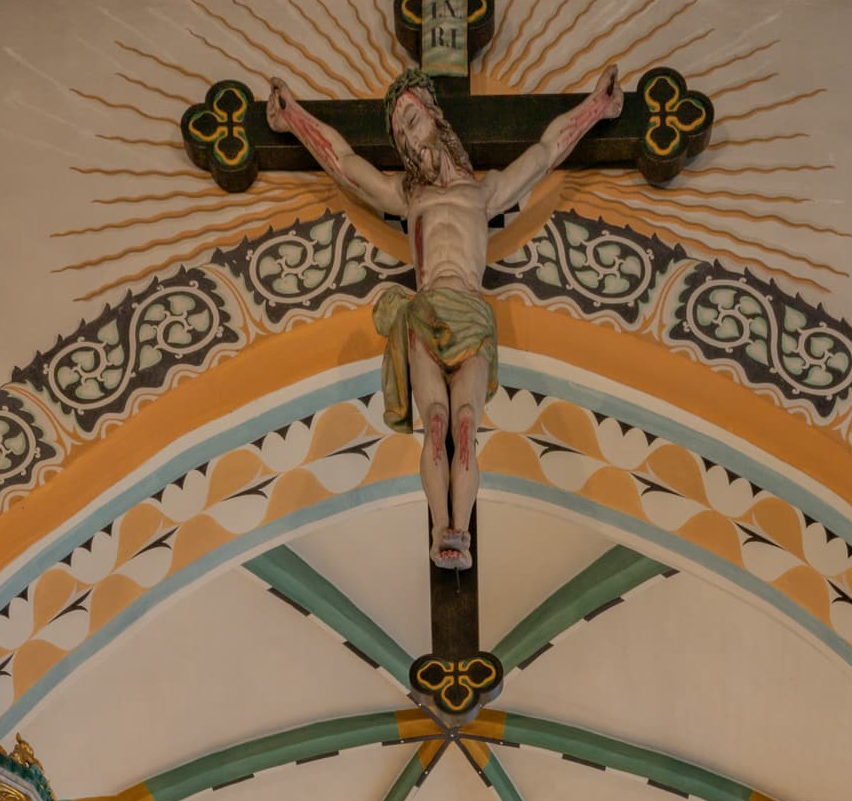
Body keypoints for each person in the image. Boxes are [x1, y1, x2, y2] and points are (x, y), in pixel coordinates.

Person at [266, 62, 623, 569]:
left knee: (465, 424)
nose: (409, 137)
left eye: (412, 120)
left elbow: (545, 153)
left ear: (434, 115)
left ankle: (463, 531)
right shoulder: (409, 196)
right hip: (426, 312)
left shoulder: (486, 191)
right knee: (435, 423)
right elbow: (345, 163)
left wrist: (596, 107)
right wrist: (294, 117)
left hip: (474, 315)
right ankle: (442, 531)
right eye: (400, 133)